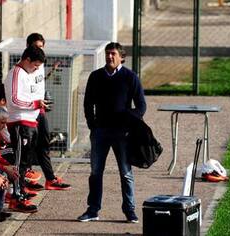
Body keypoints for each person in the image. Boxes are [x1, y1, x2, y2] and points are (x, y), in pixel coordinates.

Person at [77, 42, 146, 223]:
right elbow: (87, 103)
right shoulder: (96, 76)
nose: (109, 57)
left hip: (122, 134)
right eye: (107, 54)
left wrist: (128, 120)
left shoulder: (130, 77)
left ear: (121, 57)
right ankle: (93, 210)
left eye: (113, 54)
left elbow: (141, 106)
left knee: (125, 173)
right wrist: (92, 124)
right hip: (100, 132)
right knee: (95, 172)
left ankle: (130, 210)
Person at [24, 33, 71, 191]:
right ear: (29, 47)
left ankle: (50, 179)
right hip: (28, 112)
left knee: (44, 144)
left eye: (41, 47)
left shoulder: (40, 64)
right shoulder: (24, 67)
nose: (39, 50)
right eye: (36, 47)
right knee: (28, 146)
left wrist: (51, 71)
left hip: (40, 110)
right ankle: (26, 181)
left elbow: (40, 82)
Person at [4, 45, 47, 213]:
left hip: (30, 122)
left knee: (26, 163)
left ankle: (21, 191)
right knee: (19, 162)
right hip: (20, 123)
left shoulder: (28, 74)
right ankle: (16, 197)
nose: (36, 69)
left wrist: (39, 105)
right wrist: (34, 104)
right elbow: (14, 100)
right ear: (27, 59)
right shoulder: (16, 73)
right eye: (35, 65)